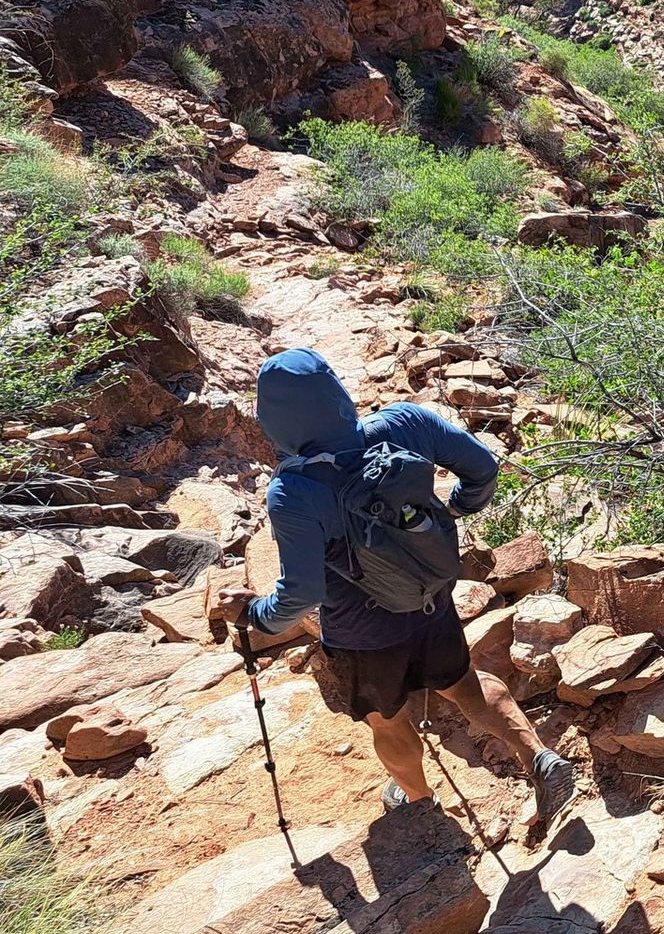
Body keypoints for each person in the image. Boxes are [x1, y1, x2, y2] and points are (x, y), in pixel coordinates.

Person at [216, 347, 575, 826]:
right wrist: (457, 509)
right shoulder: (404, 423)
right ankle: (539, 759)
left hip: (363, 634)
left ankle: (417, 801)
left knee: (387, 718)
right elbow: (483, 468)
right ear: (335, 390)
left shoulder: (293, 492)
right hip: (430, 598)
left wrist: (255, 615)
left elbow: (302, 593)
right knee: (461, 682)